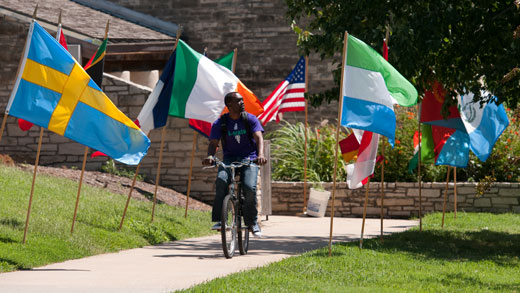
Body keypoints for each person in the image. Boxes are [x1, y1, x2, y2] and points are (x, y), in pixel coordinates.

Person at [202, 92, 267, 237]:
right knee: (221, 181)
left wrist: (260, 155)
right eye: (239, 101)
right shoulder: (221, 123)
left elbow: (259, 138)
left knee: (249, 187)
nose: (243, 103)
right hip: (229, 159)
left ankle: (252, 223)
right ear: (229, 105)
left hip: (249, 158)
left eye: (242, 100)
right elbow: (213, 144)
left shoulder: (250, 119)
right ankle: (219, 219)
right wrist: (210, 156)